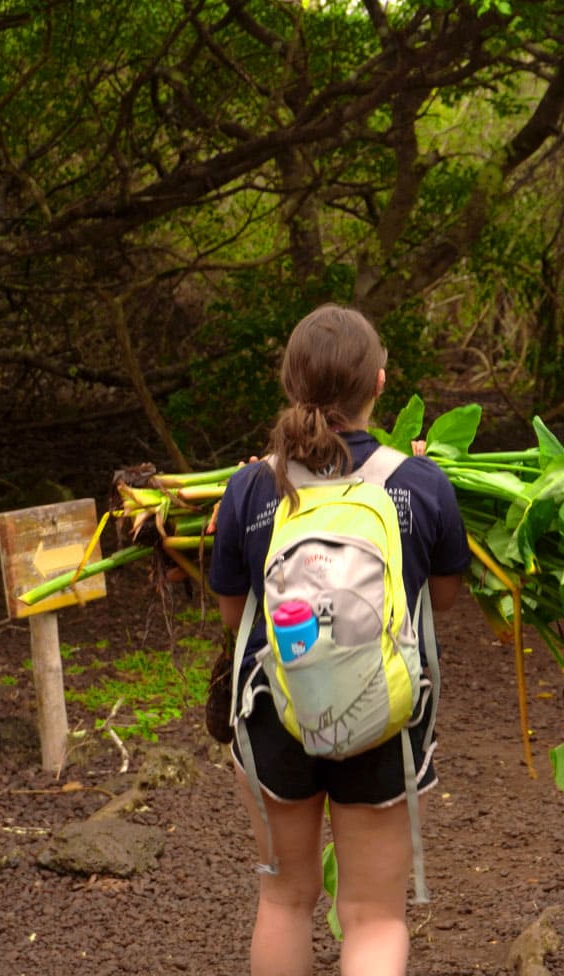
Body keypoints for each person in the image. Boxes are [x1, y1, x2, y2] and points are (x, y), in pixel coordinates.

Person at [208, 303, 471, 976]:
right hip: (383, 718)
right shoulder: (421, 483)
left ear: (288, 382)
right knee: (374, 916)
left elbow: (235, 614)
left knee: (285, 901)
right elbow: (438, 601)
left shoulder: (248, 487)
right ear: (378, 383)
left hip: (275, 712)